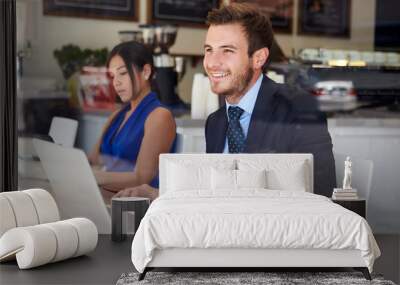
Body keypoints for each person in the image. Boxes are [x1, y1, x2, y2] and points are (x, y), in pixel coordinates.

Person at [115, 3, 335, 199]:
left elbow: (321, 195)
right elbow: (216, 192)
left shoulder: (299, 109)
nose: (212, 63)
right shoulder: (216, 122)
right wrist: (160, 195)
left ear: (259, 58)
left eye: (227, 51)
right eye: (209, 50)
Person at [88, 41, 176, 198]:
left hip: (135, 209)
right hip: (104, 199)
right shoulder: (117, 115)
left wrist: (93, 177)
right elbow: (92, 159)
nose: (116, 82)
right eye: (113, 76)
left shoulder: (159, 116)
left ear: (146, 71)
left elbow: (142, 177)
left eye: (122, 73)